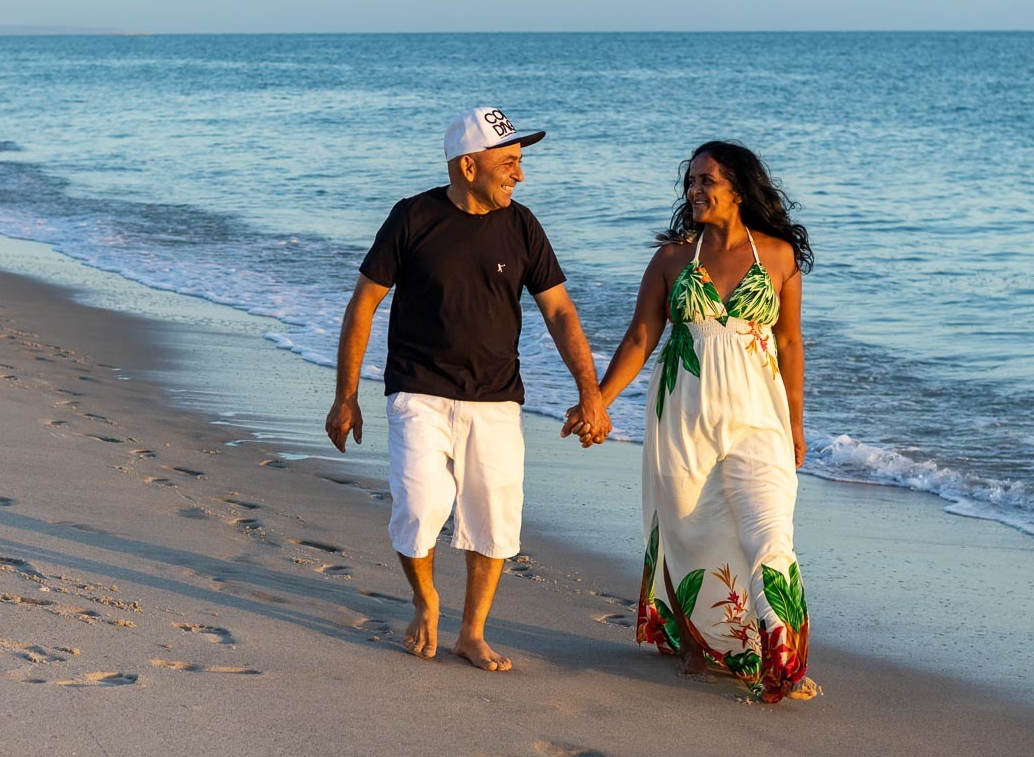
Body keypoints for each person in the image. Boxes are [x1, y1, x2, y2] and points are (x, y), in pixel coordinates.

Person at [325, 106, 610, 672]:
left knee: (494, 517)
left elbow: (559, 312)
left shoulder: (522, 225)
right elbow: (364, 303)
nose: (519, 175)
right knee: (421, 504)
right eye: (509, 163)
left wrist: (591, 393)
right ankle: (425, 598)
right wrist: (345, 395)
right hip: (418, 391)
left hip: (497, 398)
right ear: (468, 164)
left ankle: (472, 633)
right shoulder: (412, 218)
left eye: (520, 163)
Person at [564, 141, 818, 702]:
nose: (695, 190)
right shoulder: (675, 258)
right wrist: (597, 401)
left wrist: (796, 426)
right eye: (691, 182)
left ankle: (783, 660)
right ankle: (705, 646)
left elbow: (791, 344)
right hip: (683, 414)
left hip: (760, 421)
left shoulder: (776, 255)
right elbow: (640, 337)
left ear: (739, 188)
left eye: (708, 181)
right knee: (687, 529)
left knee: (770, 531)